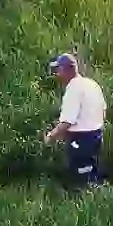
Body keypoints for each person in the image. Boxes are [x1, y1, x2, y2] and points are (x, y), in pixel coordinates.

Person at [43, 52, 106, 189]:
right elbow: (103, 110)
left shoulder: (73, 89)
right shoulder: (92, 84)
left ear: (67, 70)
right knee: (92, 171)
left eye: (59, 70)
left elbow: (67, 122)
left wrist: (51, 137)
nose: (57, 74)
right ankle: (96, 200)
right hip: (97, 136)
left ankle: (82, 204)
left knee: (80, 178)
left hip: (81, 140)